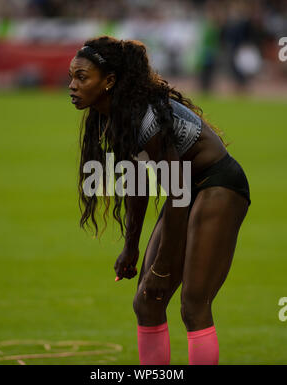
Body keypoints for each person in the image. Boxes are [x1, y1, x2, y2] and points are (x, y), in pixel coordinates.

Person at [68, 35, 251, 365]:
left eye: (82, 77)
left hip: (218, 184)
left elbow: (178, 192)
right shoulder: (112, 117)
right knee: (147, 302)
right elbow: (137, 185)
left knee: (193, 306)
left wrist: (165, 266)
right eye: (73, 76)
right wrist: (131, 247)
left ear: (109, 81)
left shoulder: (145, 118)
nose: (72, 85)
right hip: (186, 190)